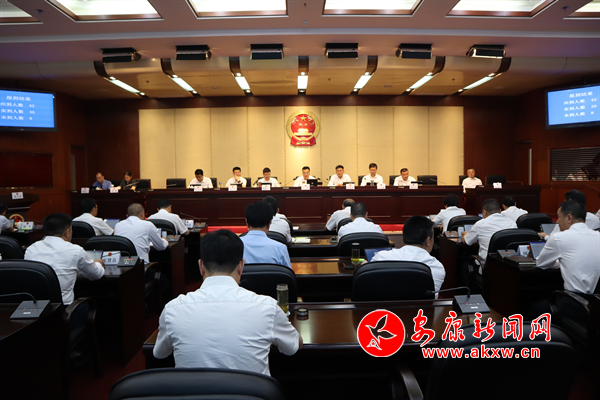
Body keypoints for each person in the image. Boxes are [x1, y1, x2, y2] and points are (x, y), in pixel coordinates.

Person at [153, 229, 301, 374]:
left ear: (201, 266)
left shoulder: (173, 309)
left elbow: (160, 353)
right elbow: (293, 346)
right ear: (241, 266)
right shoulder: (267, 307)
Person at [24, 213, 105, 305]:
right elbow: (95, 274)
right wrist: (98, 264)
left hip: (37, 306)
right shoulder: (75, 250)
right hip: (64, 308)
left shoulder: (31, 249)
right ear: (67, 232)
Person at [370, 216, 446, 296]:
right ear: (427, 241)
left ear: (404, 237)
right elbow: (432, 298)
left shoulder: (380, 257)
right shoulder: (436, 266)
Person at [537, 200, 600, 294]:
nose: (557, 221)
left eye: (559, 217)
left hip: (573, 298)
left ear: (569, 218)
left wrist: (562, 261)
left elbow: (541, 263)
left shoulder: (558, 238)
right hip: (596, 300)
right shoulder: (598, 235)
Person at [463, 198, 517, 269]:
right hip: (509, 267)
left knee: (464, 266)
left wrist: (465, 234)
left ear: (484, 212)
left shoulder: (480, 224)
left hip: (486, 267)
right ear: (500, 211)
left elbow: (467, 242)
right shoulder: (512, 223)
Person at [240, 201, 291, 268]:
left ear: (246, 222)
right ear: (269, 223)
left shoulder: (234, 246)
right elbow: (287, 273)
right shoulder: (280, 248)